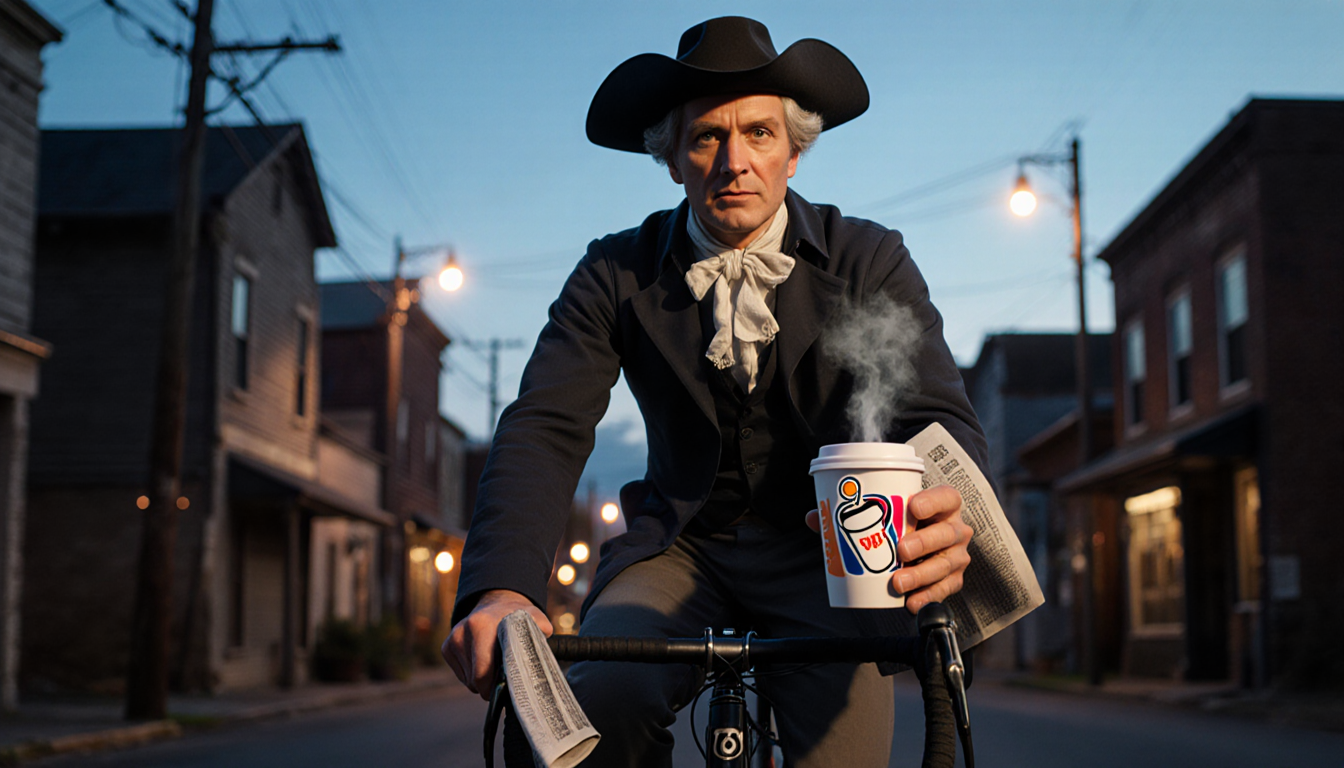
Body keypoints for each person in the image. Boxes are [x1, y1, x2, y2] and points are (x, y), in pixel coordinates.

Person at [445, 16, 987, 767]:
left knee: (849, 754)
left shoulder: (870, 257)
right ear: (671, 158)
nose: (735, 162)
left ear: (795, 152)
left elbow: (933, 416)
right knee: (597, 708)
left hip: (832, 557)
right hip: (679, 546)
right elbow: (546, 421)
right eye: (706, 137)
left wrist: (942, 519)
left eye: (760, 133)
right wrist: (499, 587)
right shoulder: (614, 271)